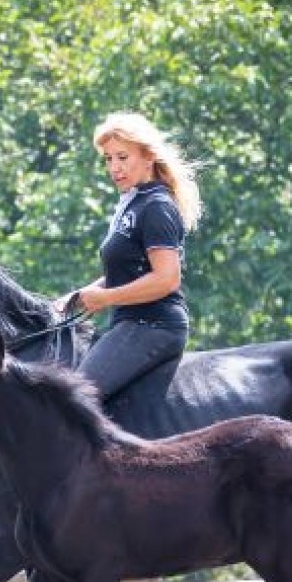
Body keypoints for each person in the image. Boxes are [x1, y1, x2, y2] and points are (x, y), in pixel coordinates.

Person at [55, 112, 203, 403]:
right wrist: (82, 294)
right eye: (108, 159)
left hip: (154, 326)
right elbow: (127, 272)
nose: (114, 167)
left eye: (122, 157)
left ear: (149, 157)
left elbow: (166, 279)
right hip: (130, 323)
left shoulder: (156, 206)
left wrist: (106, 299)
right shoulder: (133, 203)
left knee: (74, 401)